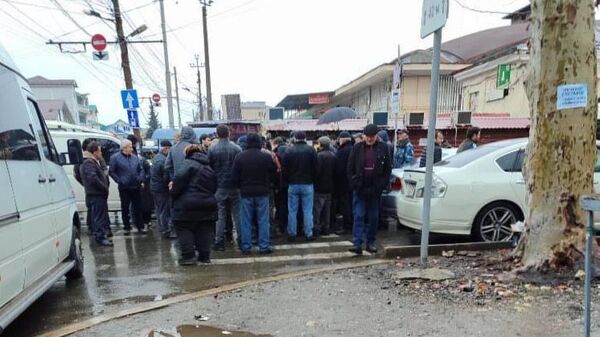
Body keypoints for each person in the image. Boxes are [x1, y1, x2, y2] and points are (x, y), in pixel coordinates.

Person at [347, 124, 392, 255]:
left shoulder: (383, 148)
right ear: (364, 136)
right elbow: (350, 168)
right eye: (367, 136)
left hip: (375, 189)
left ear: (376, 136)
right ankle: (357, 244)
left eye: (372, 136)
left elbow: (387, 169)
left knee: (373, 217)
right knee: (359, 216)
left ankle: (370, 242)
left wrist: (380, 186)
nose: (369, 139)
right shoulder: (357, 148)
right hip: (360, 188)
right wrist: (354, 184)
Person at [171, 144, 217, 265]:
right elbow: (214, 186)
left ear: (187, 153)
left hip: (187, 204)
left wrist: (173, 192)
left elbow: (178, 181)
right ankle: (205, 255)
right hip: (208, 203)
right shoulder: (209, 167)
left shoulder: (187, 163)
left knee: (184, 227)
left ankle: (188, 256)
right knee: (204, 228)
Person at [231, 133, 277, 255]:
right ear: (259, 142)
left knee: (246, 221)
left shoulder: (240, 157)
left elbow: (234, 177)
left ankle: (246, 247)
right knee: (263, 220)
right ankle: (264, 246)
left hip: (246, 193)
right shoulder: (265, 157)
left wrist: (239, 187)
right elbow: (273, 173)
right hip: (263, 192)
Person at [208, 125, 242, 251]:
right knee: (238, 214)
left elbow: (210, 167)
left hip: (219, 185)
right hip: (234, 186)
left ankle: (219, 242)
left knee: (220, 215)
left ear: (217, 134)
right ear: (228, 133)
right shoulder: (237, 148)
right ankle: (242, 240)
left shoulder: (212, 149)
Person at [282, 131, 318, 242]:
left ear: (295, 138)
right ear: (305, 138)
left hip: (293, 184)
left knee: (292, 210)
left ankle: (292, 234)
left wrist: (287, 181)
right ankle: (309, 234)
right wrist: (313, 180)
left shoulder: (289, 150)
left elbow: (284, 169)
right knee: (307, 210)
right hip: (307, 184)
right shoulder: (311, 150)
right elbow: (316, 168)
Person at [109, 139, 146, 236]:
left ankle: (140, 226)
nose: (132, 148)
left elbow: (141, 169)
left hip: (136, 186)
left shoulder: (135, 157)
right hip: (124, 187)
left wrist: (140, 178)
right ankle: (127, 227)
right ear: (124, 148)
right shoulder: (115, 158)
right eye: (130, 146)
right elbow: (112, 172)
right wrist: (120, 180)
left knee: (138, 207)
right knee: (125, 207)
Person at [80, 141, 112, 246]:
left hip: (98, 194)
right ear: (94, 152)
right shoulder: (88, 163)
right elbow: (93, 179)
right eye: (100, 151)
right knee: (98, 217)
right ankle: (100, 237)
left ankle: (102, 235)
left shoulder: (91, 161)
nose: (101, 154)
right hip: (96, 194)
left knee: (100, 216)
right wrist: (103, 188)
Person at [313, 136, 336, 236]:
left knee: (317, 210)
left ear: (321, 145)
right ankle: (326, 228)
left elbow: (316, 172)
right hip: (330, 186)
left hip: (319, 186)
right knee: (327, 210)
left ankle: (316, 228)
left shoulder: (319, 156)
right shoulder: (333, 155)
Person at [151, 140, 174, 238]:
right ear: (166, 148)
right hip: (161, 188)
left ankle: (162, 228)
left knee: (159, 209)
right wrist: (169, 184)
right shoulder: (163, 160)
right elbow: (165, 177)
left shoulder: (156, 157)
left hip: (154, 187)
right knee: (164, 210)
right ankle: (166, 230)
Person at [334, 131, 354, 234]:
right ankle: (352, 224)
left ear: (342, 139)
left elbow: (339, 169)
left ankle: (347, 226)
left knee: (345, 205)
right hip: (352, 183)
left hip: (343, 183)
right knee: (352, 204)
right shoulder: (354, 148)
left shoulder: (342, 151)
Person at [271, 137, 288, 234]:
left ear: (276, 143)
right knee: (286, 205)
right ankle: (285, 224)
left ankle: (280, 224)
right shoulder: (290, 151)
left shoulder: (275, 154)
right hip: (288, 183)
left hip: (279, 185)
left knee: (279, 205)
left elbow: (274, 172)